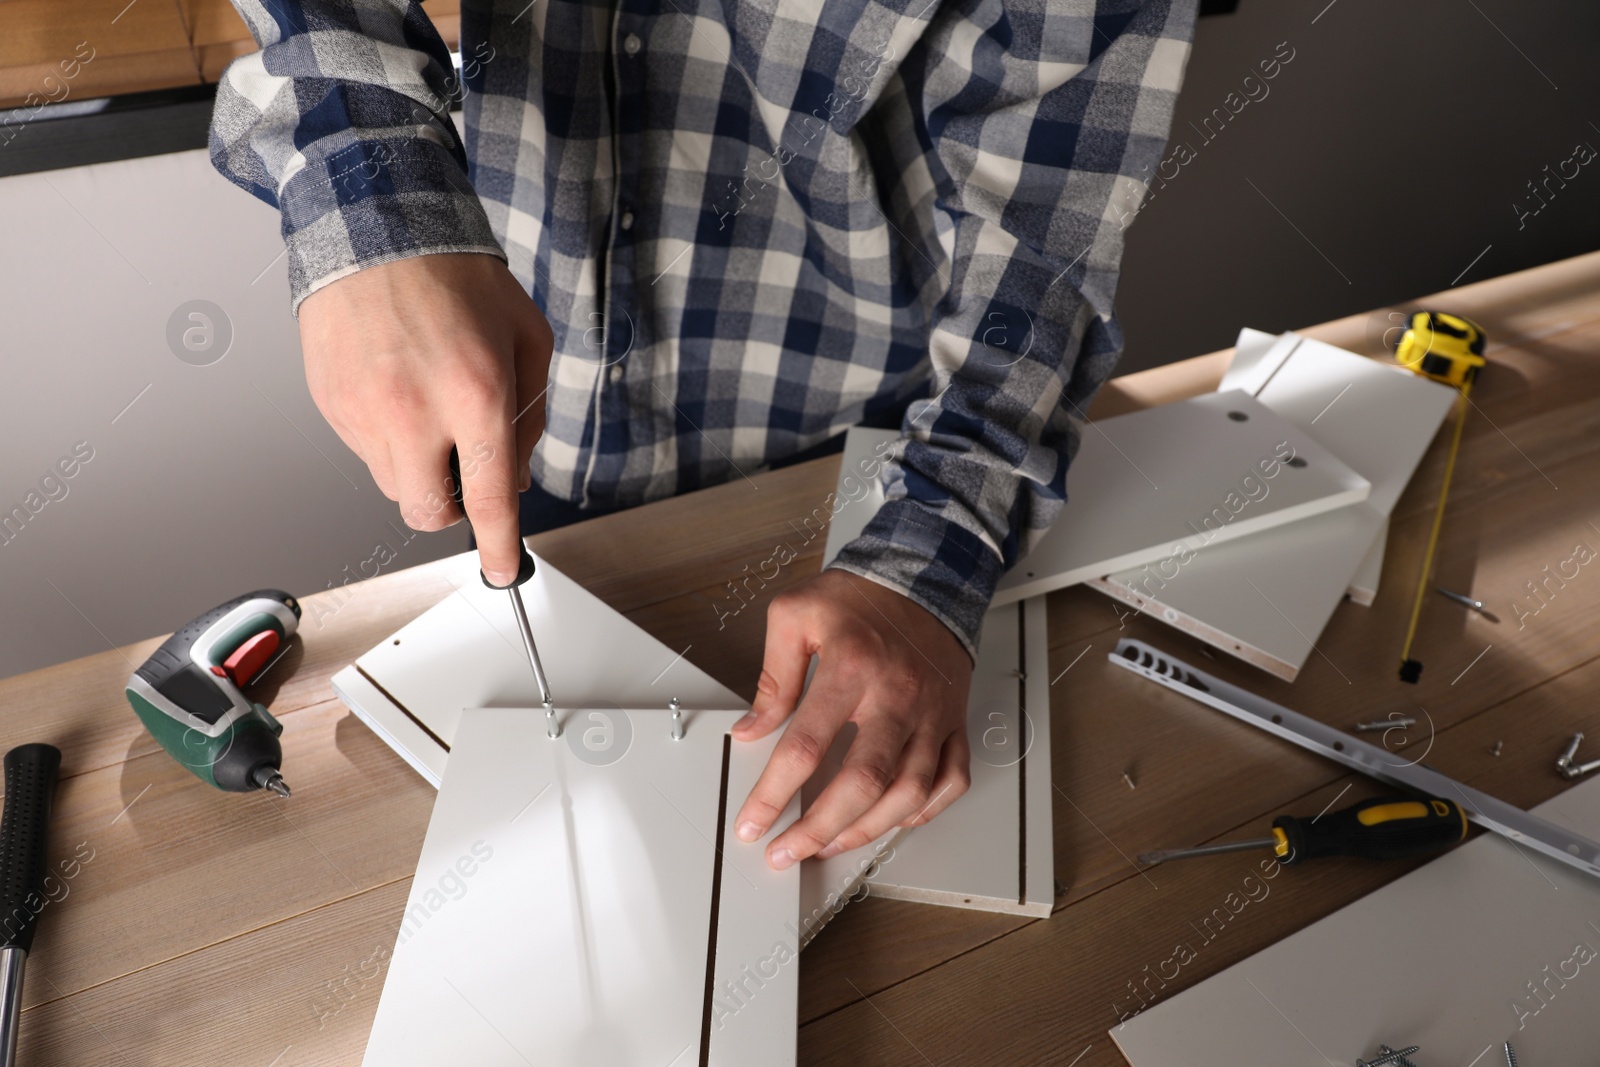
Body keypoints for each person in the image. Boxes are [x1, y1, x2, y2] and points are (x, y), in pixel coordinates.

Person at [210, 0, 1195, 870]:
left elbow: (1044, 240)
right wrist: (373, 187)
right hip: (532, 393)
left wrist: (928, 569)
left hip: (852, 457)